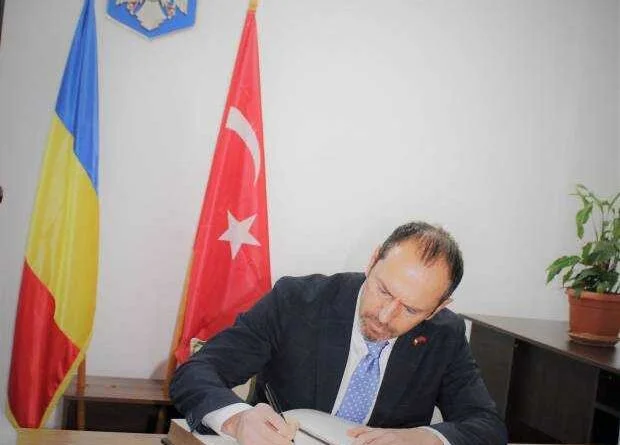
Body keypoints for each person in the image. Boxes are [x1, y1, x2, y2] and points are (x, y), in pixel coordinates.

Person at [170, 221, 507, 445]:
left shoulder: (445, 335)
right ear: (372, 261)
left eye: (411, 310)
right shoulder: (296, 302)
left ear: (437, 308)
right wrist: (238, 419)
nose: (385, 316)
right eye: (383, 291)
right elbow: (196, 372)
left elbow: (486, 425)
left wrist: (424, 438)